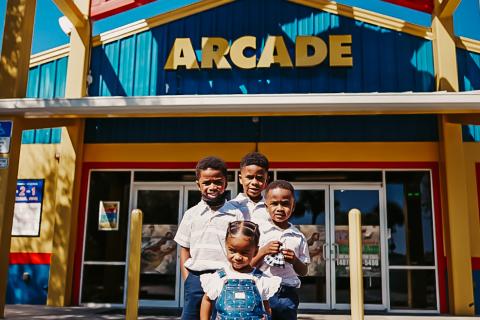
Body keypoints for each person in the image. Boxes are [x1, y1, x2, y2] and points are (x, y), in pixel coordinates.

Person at [174, 156, 246, 320]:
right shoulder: (191, 214)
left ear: (225, 184)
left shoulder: (236, 214)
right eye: (207, 183)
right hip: (195, 280)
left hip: (225, 278)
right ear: (198, 185)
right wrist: (188, 280)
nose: (212, 187)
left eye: (218, 182)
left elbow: (241, 247)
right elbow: (184, 249)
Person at [251, 180, 310, 320]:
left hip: (287, 294)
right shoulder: (258, 232)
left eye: (285, 204)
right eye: (274, 203)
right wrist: (263, 251)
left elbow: (304, 271)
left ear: (293, 206)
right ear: (266, 206)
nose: (279, 208)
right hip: (261, 291)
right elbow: (249, 265)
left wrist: (295, 260)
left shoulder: (298, 236)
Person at [199, 221, 281, 320]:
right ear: (226, 246)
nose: (238, 257)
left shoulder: (260, 278)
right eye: (232, 251)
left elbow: (266, 305)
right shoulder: (220, 277)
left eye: (244, 252)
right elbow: (207, 300)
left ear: (255, 251)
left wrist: (267, 317)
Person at [229, 152, 270, 224]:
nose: (254, 182)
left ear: (266, 180)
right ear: (240, 179)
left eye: (259, 178)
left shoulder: (271, 209)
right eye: (249, 177)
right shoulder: (230, 207)